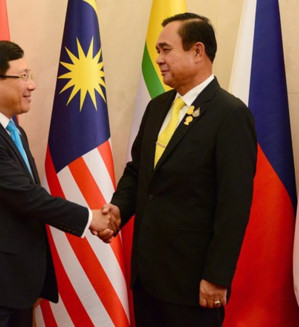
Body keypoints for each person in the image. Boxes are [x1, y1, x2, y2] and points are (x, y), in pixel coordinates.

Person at [0, 40, 118, 327]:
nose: (31, 85)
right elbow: (26, 197)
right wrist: (89, 218)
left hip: (10, 285)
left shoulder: (11, 129)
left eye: (30, 75)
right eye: (22, 76)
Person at [102, 13, 257, 326]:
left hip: (192, 282)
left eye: (165, 50)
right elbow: (138, 172)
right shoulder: (157, 107)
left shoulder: (230, 115)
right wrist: (118, 209)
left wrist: (216, 276)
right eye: (158, 51)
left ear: (197, 52)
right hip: (147, 278)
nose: (158, 59)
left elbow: (234, 205)